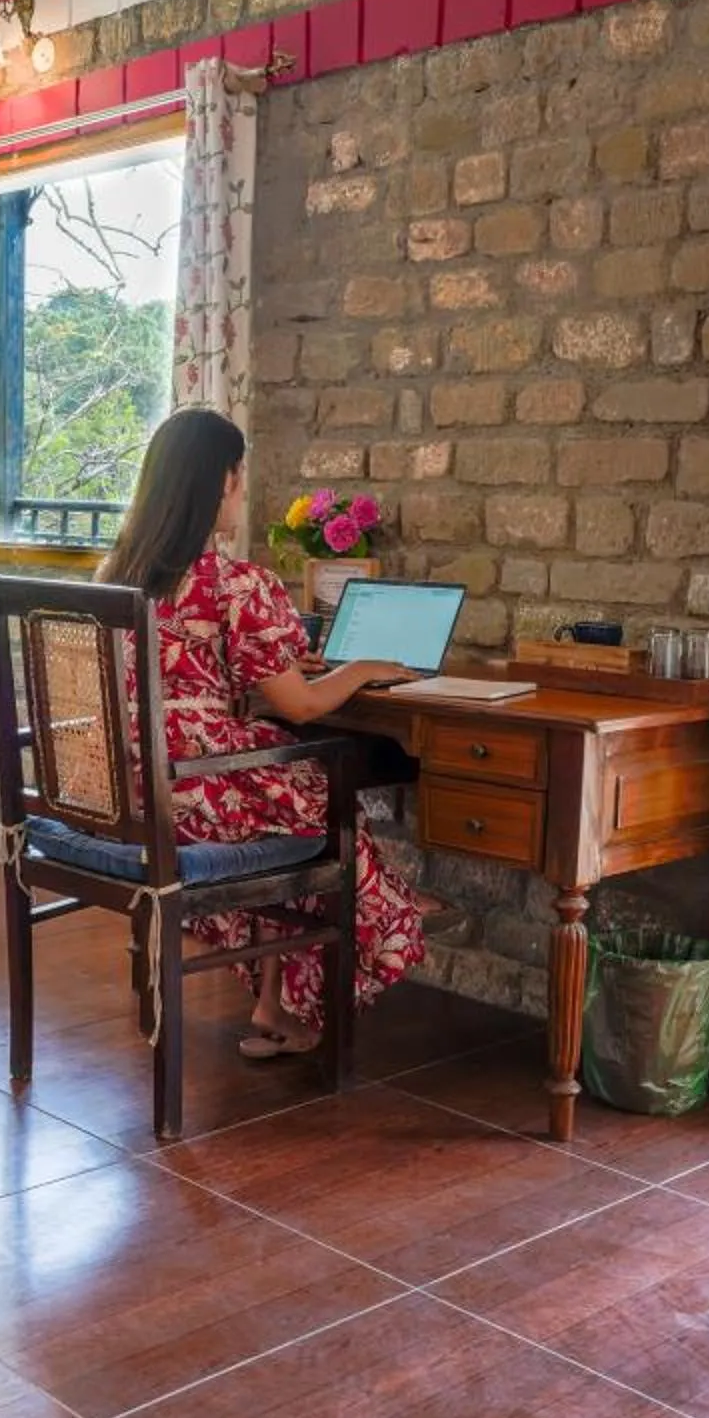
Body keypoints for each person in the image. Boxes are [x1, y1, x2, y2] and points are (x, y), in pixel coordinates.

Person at [94, 408, 427, 1058]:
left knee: (281, 802)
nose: (241, 493)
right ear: (222, 480)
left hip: (128, 789)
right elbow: (300, 708)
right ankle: (295, 997)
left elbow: (176, 673)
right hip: (190, 795)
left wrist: (266, 667)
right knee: (318, 810)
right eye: (240, 478)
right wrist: (360, 668)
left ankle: (274, 1004)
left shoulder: (116, 573)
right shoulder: (235, 583)